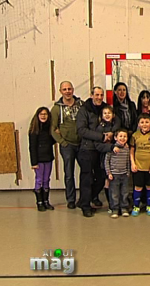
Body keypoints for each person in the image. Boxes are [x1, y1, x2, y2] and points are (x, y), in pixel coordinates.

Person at [76, 87, 121, 217]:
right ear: (91, 95)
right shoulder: (84, 110)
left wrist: (113, 132)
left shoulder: (106, 108)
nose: (99, 97)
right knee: (87, 178)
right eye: (97, 95)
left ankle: (87, 198)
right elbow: (82, 130)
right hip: (87, 149)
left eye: (101, 95)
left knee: (101, 178)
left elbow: (116, 120)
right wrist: (101, 137)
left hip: (101, 150)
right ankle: (85, 206)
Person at [50, 81, 84, 209]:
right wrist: (62, 142)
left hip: (82, 144)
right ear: (60, 91)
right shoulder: (56, 109)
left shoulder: (82, 105)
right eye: (65, 89)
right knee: (69, 173)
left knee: (86, 172)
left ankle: (86, 197)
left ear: (73, 89)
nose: (68, 91)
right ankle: (71, 199)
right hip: (67, 145)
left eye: (69, 89)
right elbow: (52, 128)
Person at [130, 113, 150, 216]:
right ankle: (136, 206)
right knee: (138, 187)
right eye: (142, 122)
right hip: (138, 167)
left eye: (147, 122)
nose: (144, 124)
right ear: (138, 124)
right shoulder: (135, 135)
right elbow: (132, 150)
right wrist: (133, 163)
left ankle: (149, 205)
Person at [29, 107, 56, 211]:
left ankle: (46, 201)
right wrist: (34, 162)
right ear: (37, 116)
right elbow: (32, 147)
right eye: (41, 114)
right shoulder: (34, 130)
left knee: (46, 180)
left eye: (45, 114)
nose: (43, 116)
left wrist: (56, 133)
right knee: (39, 180)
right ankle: (39, 202)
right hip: (39, 159)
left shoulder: (49, 128)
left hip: (48, 157)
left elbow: (51, 141)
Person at [94, 105, 120, 211]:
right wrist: (111, 147)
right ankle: (111, 204)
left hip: (117, 158)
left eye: (109, 113)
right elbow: (98, 146)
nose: (107, 115)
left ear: (113, 115)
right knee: (108, 180)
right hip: (105, 157)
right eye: (105, 113)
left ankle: (118, 203)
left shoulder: (116, 126)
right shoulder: (100, 128)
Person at [105, 129, 131, 218]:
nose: (123, 138)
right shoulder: (112, 148)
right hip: (114, 174)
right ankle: (115, 209)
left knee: (124, 192)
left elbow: (128, 161)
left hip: (124, 174)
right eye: (120, 136)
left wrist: (128, 172)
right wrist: (109, 173)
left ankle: (124, 208)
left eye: (125, 136)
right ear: (116, 138)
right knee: (114, 193)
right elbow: (106, 161)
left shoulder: (127, 149)